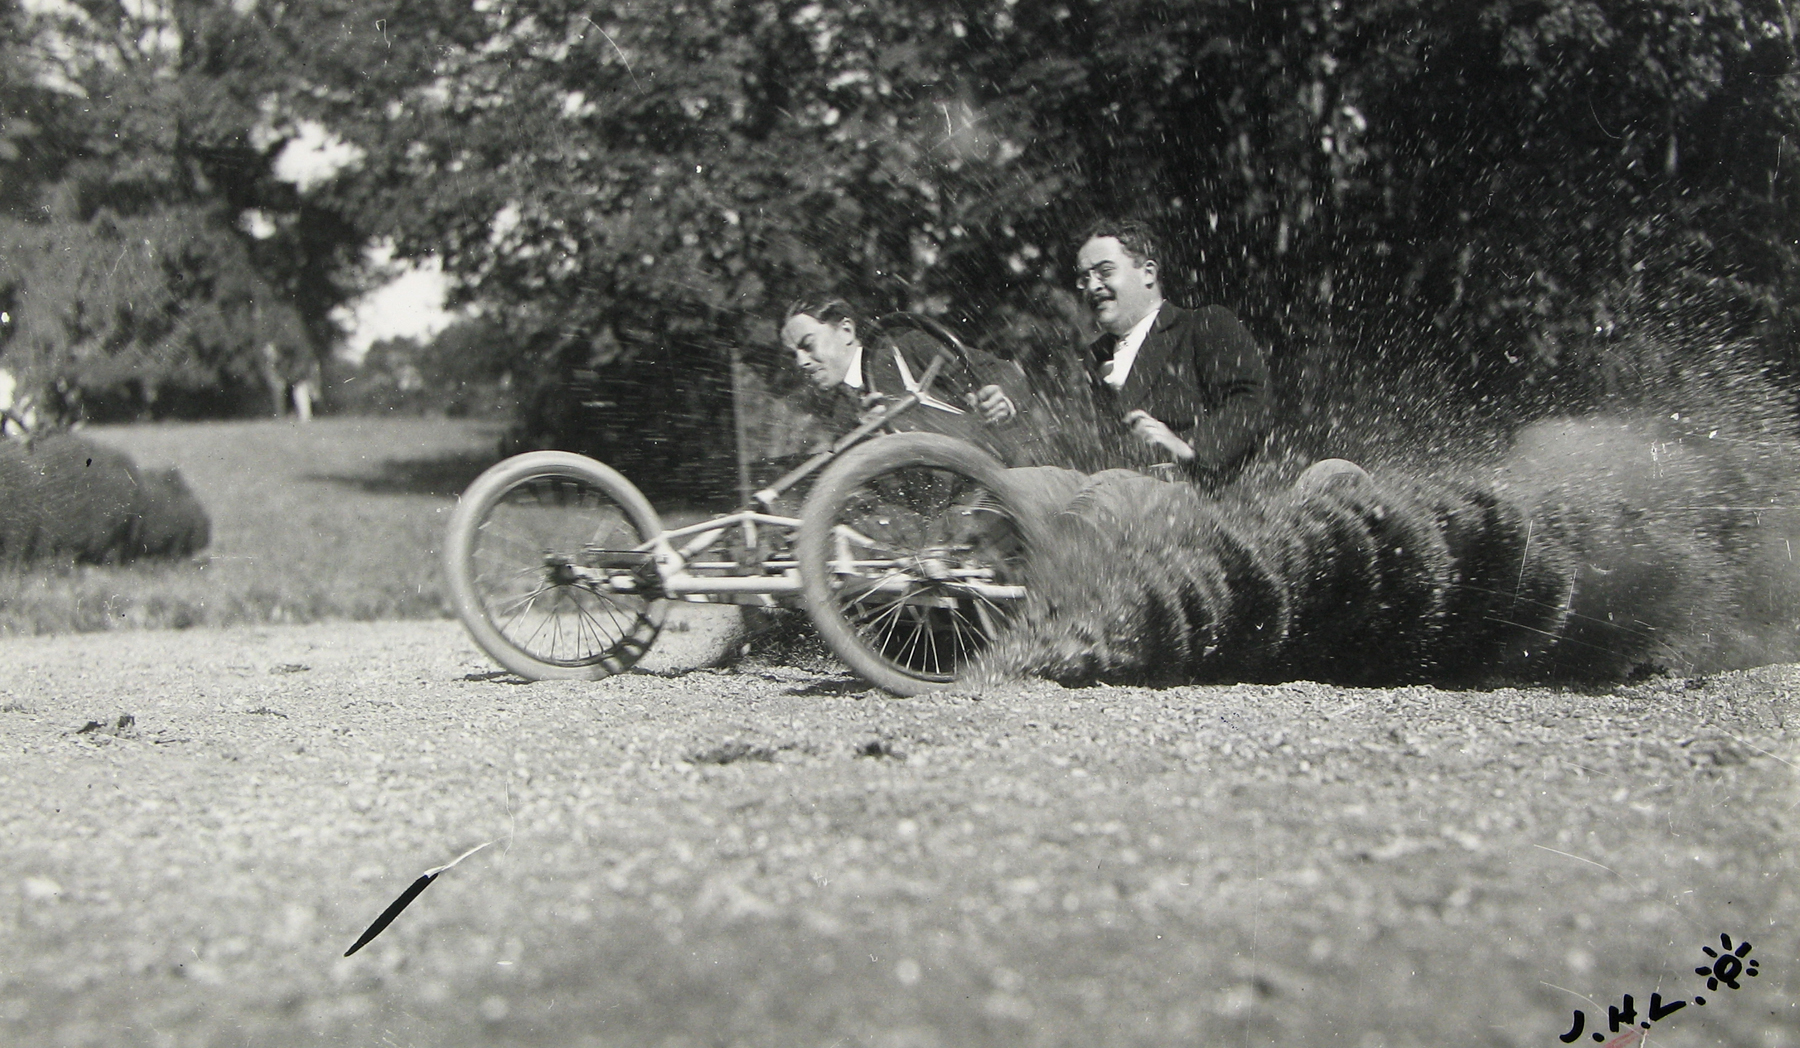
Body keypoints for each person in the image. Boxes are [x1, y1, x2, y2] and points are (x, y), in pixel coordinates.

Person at [1074, 218, 1273, 488]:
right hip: (1114, 505)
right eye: (1085, 278)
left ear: (1148, 272)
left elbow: (1251, 403)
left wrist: (1188, 446)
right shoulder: (1091, 359)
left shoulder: (1203, 325)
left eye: (1105, 272)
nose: (1092, 286)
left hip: (1203, 503)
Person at [779, 298, 1033, 464]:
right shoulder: (843, 418)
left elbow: (1000, 371)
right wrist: (870, 441)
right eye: (794, 355)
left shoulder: (907, 349)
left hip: (1002, 473)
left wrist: (1002, 398)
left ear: (846, 330)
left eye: (808, 345)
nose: (801, 362)